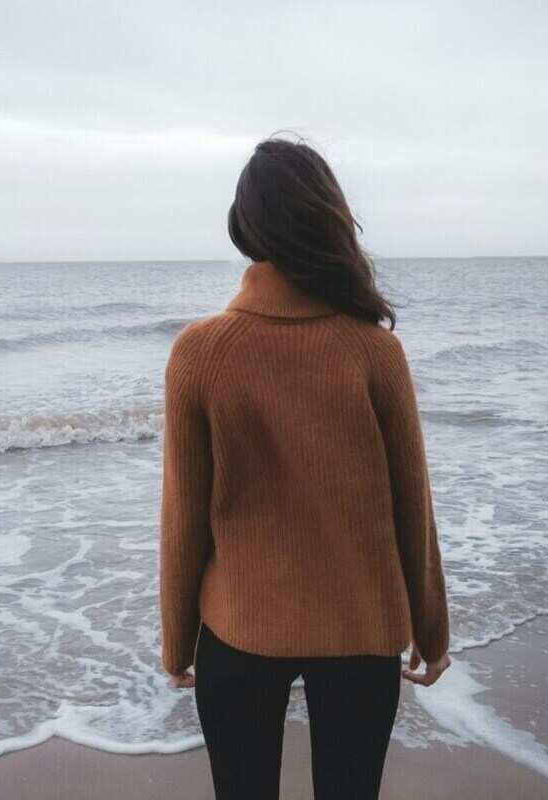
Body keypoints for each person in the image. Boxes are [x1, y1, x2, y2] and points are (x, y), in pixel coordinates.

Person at [158, 134, 452, 800]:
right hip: (361, 631)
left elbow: (184, 517)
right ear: (328, 220)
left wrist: (177, 642)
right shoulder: (374, 351)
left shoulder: (199, 354)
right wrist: (431, 629)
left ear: (243, 226)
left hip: (238, 632)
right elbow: (413, 506)